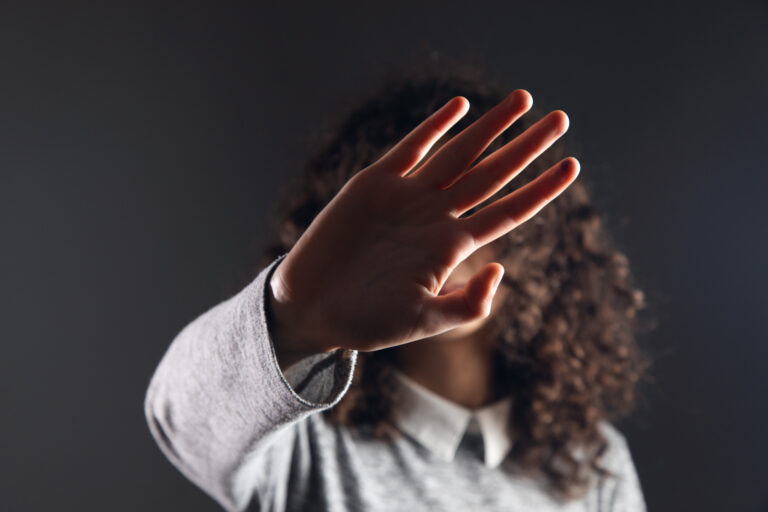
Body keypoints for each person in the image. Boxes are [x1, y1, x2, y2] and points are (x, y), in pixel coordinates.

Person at [145, 66, 650, 512]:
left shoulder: (593, 467)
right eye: (415, 214)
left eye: (476, 201)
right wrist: (295, 316)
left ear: (539, 237)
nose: (444, 247)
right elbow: (181, 418)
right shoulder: (302, 444)